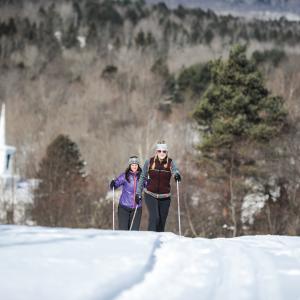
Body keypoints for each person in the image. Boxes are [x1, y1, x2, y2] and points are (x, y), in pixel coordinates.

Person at [136, 141, 181, 232]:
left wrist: (177, 175)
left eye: (164, 151)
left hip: (165, 197)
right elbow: (142, 177)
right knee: (154, 217)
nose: (162, 153)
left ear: (166, 152)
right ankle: (150, 239)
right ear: (156, 152)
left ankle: (159, 241)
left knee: (161, 221)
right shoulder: (149, 162)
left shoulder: (170, 162)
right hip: (150, 194)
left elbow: (175, 171)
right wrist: (138, 193)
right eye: (159, 151)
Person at [110, 156, 142, 230]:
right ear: (130, 165)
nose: (134, 166)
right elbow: (116, 184)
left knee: (134, 232)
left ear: (138, 165)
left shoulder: (142, 177)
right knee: (123, 230)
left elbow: (149, 185)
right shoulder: (125, 176)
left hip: (137, 208)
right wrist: (113, 184)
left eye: (136, 165)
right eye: (132, 165)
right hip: (124, 207)